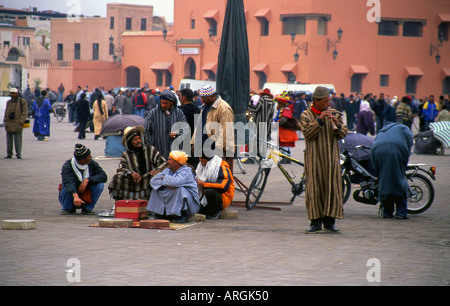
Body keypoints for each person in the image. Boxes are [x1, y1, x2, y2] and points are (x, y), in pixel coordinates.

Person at [299, 86, 348, 233]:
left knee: (332, 189)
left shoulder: (335, 114)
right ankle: (315, 223)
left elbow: (344, 133)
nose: (328, 104)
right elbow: (307, 134)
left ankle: (329, 222)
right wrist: (320, 120)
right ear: (316, 101)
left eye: (329, 101)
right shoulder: (306, 115)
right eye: (325, 101)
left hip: (331, 159)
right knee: (314, 190)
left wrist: (337, 124)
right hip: (314, 160)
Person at [108, 126, 167, 201]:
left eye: (139, 138)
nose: (138, 141)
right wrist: (131, 173)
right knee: (116, 178)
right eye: (135, 139)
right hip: (134, 180)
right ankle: (121, 202)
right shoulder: (126, 154)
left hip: (148, 178)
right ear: (130, 142)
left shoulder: (151, 150)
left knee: (155, 178)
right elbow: (121, 169)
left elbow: (164, 163)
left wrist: (156, 170)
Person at [370, 123, 413, 219]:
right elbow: (409, 140)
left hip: (377, 150)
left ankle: (387, 212)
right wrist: (406, 154)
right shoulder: (404, 127)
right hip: (394, 150)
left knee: (384, 180)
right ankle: (401, 213)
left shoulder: (383, 130)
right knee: (398, 179)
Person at [147, 151, 200, 223]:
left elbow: (175, 182)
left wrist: (165, 178)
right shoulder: (167, 170)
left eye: (170, 160)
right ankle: (163, 214)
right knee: (157, 189)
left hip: (191, 203)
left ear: (176, 162)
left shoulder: (186, 171)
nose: (167, 161)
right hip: (172, 192)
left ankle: (182, 215)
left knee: (180, 190)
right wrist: (165, 185)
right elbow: (153, 181)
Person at [192, 85, 235, 170]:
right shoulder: (205, 106)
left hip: (216, 149)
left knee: (217, 176)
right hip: (204, 148)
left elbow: (226, 132)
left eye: (204, 98)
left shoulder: (224, 108)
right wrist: (194, 143)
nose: (202, 100)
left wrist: (218, 151)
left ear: (212, 96)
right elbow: (199, 125)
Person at [59, 144, 108, 215]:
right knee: (66, 185)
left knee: (100, 185)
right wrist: (76, 197)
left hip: (85, 193)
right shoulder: (68, 166)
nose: (91, 157)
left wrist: (87, 180)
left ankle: (87, 208)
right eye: (89, 156)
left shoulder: (92, 163)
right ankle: (67, 208)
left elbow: (103, 176)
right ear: (82, 160)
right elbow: (68, 182)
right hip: (72, 195)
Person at [144, 89, 187, 160]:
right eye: (162, 103)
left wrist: (177, 133)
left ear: (171, 103)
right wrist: (151, 146)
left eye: (166, 103)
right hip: (157, 152)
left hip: (175, 154)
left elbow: (185, 129)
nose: (163, 105)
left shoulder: (179, 113)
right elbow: (146, 131)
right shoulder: (153, 113)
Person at [195, 154, 235, 219]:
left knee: (210, 192)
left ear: (205, 160)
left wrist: (205, 184)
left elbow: (223, 186)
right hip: (204, 195)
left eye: (200, 158)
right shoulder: (201, 166)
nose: (199, 160)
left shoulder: (222, 167)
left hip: (222, 197)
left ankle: (215, 212)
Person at [273, 93, 299, 163]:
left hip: (286, 130)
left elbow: (284, 119)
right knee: (286, 144)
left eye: (279, 103)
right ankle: (288, 158)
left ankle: (285, 157)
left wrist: (276, 123)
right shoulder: (283, 109)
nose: (278, 105)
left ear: (282, 103)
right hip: (284, 130)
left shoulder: (286, 110)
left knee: (285, 144)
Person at [179, 88, 201, 168]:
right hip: (196, 144)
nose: (180, 98)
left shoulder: (180, 111)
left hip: (184, 145)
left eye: (180, 96)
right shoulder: (198, 110)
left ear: (184, 97)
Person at [4, 88, 28, 159]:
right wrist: (5, 120)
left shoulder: (22, 102)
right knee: (9, 140)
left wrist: (21, 121)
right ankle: (9, 153)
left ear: (17, 94)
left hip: (17, 123)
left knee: (18, 139)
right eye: (11, 93)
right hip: (9, 123)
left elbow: (24, 113)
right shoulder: (8, 102)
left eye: (14, 93)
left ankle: (18, 153)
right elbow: (6, 112)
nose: (12, 95)